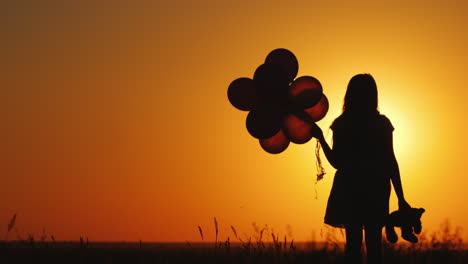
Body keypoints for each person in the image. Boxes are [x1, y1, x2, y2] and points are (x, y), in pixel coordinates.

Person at [310, 74, 410, 264]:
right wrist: (401, 197)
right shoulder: (381, 123)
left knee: (353, 248)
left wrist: (321, 139)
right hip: (376, 188)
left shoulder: (342, 124)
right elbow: (390, 162)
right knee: (374, 248)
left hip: (349, 189)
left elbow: (337, 162)